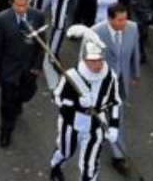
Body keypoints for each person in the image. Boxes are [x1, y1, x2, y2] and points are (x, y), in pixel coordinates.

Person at [48, 34, 121, 181]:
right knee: (65, 151)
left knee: (90, 165)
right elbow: (56, 97)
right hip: (70, 123)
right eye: (92, 61)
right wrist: (77, 103)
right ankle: (55, 167)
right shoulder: (71, 76)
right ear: (85, 60)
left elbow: (115, 102)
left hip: (96, 125)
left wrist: (114, 126)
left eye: (99, 60)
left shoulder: (110, 77)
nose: (97, 65)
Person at [82, 4, 140, 175]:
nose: (124, 23)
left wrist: (135, 74)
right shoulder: (95, 33)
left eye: (125, 18)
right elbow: (84, 60)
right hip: (99, 84)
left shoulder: (132, 28)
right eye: (120, 20)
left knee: (117, 117)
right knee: (97, 116)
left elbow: (135, 52)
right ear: (110, 19)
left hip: (120, 83)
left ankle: (118, 155)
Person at [0, 0, 45, 148]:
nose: (22, 9)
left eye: (25, 5)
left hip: (29, 68)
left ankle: (18, 102)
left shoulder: (38, 16)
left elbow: (41, 44)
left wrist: (37, 66)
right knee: (7, 102)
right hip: (9, 68)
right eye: (18, 6)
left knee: (27, 94)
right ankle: (5, 131)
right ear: (11, 3)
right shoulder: (2, 19)